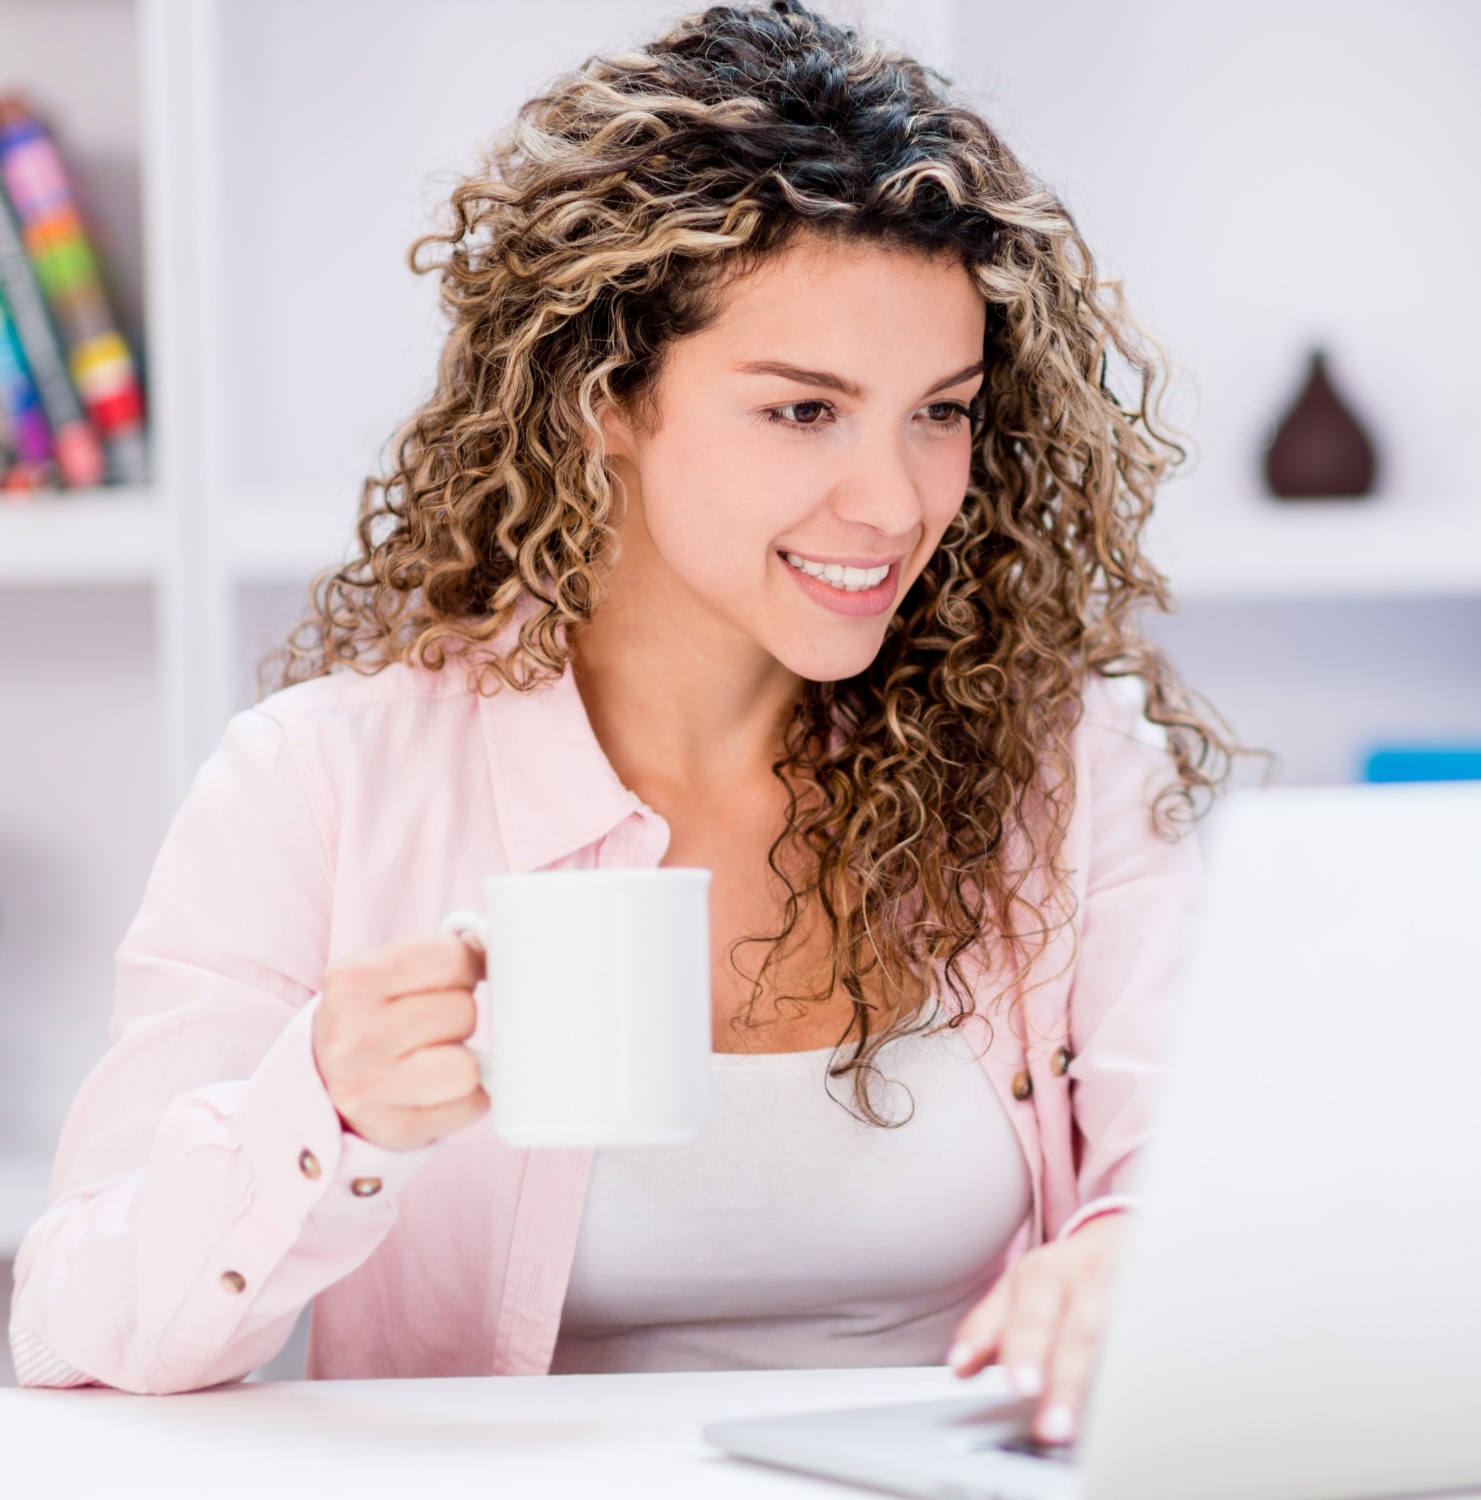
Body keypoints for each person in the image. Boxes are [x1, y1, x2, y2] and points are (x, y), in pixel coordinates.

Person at [8, 2, 1230, 1450]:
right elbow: (72, 1322)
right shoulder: (323, 784)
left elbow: (1206, 1180)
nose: (896, 502)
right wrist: (322, 1110)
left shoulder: (1066, 770)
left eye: (940, 413)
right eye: (801, 412)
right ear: (605, 400)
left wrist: (1142, 1263)